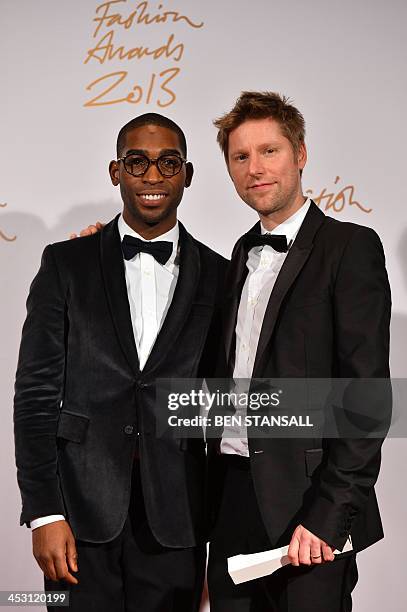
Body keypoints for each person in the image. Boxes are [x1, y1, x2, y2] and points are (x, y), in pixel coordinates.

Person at [13, 113, 227, 612]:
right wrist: (45, 512)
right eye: (137, 162)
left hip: (178, 521)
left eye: (168, 163)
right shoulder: (65, 265)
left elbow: (221, 411)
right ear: (116, 171)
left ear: (188, 174)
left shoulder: (221, 275)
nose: (153, 177)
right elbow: (35, 396)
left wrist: (218, 543)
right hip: (79, 519)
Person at [206, 91, 391, 611]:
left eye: (269, 151)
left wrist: (329, 513)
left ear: (300, 154)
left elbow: (366, 398)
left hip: (308, 505)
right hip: (231, 501)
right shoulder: (238, 256)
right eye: (240, 157)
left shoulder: (349, 248)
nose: (255, 168)